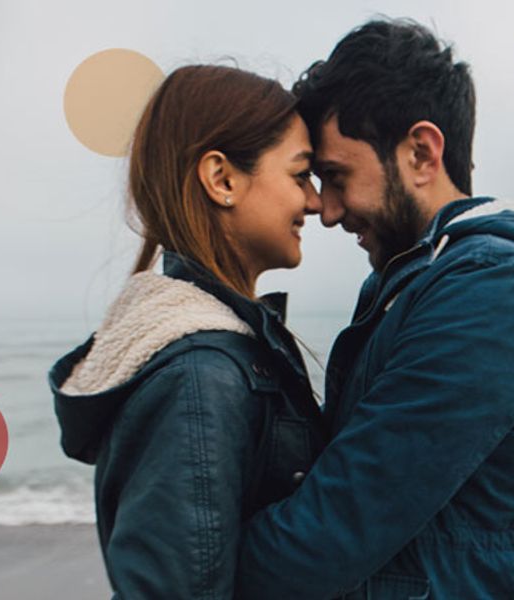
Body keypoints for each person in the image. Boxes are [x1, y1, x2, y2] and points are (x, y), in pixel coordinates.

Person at [234, 19, 514, 599]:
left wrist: (190, 574)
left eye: (337, 176)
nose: (327, 210)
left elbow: (338, 526)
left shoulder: (493, 289)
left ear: (421, 153)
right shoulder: (412, 280)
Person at [49, 64, 327, 598]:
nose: (315, 202)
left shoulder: (216, 354)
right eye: (300, 176)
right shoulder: (200, 378)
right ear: (222, 180)